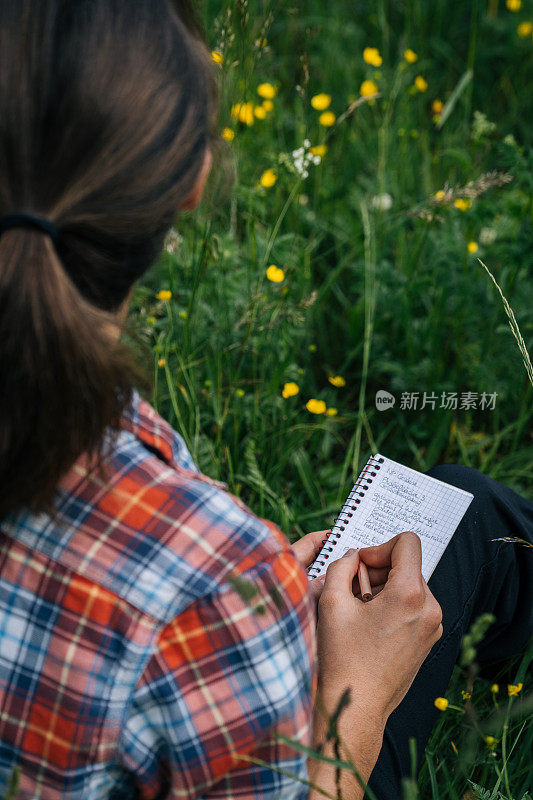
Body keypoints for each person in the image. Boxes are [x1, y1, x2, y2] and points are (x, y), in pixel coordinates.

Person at [0, 2, 531, 799]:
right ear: (190, 185)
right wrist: (357, 694)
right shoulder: (207, 576)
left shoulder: (209, 572)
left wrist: (250, 590)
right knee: (473, 519)